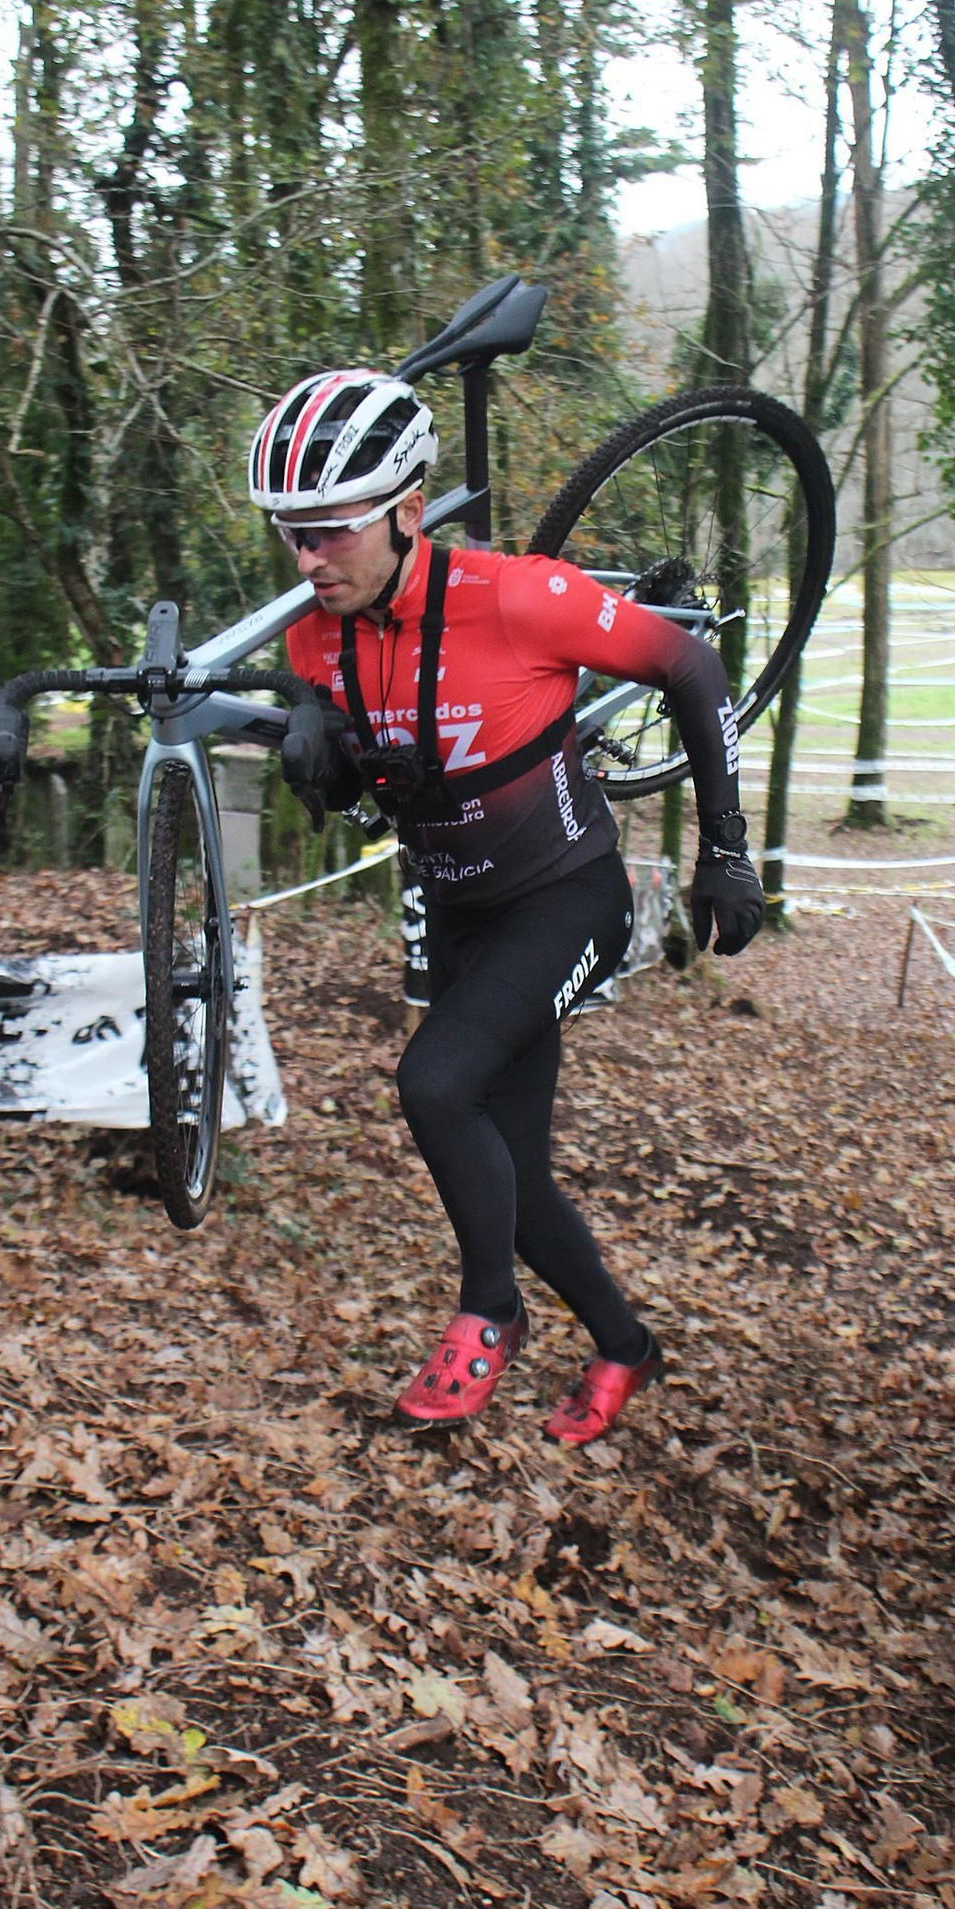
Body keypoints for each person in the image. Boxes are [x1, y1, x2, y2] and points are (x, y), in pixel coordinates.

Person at [252, 368, 763, 1445]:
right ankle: (626, 1346)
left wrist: (727, 851)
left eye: (330, 532)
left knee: (437, 1085)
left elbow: (695, 668)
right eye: (289, 535)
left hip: (568, 898)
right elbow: (367, 770)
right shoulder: (314, 637)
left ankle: (489, 1311)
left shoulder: (516, 596)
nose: (307, 561)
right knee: (513, 1174)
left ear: (403, 510)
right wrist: (315, 741)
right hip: (460, 910)